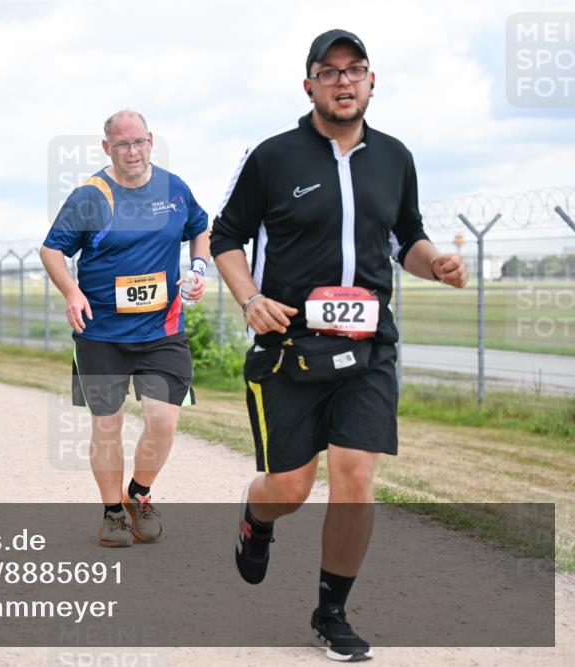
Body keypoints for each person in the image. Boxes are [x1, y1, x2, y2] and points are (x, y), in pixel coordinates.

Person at [211, 30, 468, 662]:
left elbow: (407, 236)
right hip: (289, 347)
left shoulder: (395, 157)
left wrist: (434, 263)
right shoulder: (273, 157)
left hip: (369, 347)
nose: (344, 81)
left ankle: (332, 613)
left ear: (371, 81)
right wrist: (250, 300)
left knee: (355, 478)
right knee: (291, 489)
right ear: (309, 85)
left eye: (355, 70)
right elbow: (226, 238)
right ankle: (257, 514)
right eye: (329, 72)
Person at [40, 110, 211, 548]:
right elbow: (51, 250)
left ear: (151, 140)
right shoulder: (90, 196)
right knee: (107, 425)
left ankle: (139, 494)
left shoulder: (174, 189)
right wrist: (72, 293)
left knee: (163, 422)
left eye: (138, 143)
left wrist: (197, 267)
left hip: (162, 329)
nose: (132, 152)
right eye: (122, 145)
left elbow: (201, 228)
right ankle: (113, 514)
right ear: (107, 148)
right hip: (101, 334)